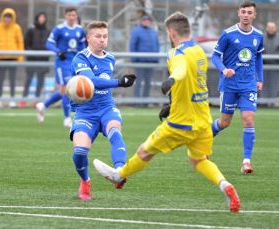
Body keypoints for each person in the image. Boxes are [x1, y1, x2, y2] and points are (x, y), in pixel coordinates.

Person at [93, 12, 241, 213]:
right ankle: (225, 185)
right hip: (203, 120)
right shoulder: (198, 51)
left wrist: (171, 80)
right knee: (199, 160)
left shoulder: (176, 53)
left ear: (171, 33)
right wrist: (172, 103)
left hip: (181, 123)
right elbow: (191, 83)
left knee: (144, 151)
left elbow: (180, 70)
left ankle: (119, 176)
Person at [70, 21, 136, 201]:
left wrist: (117, 82)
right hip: (85, 112)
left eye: (105, 36)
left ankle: (119, 173)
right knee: (80, 152)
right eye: (98, 36)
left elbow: (102, 84)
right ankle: (85, 182)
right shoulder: (80, 59)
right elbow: (92, 81)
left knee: (115, 132)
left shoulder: (110, 58)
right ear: (88, 38)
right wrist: (119, 82)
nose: (102, 40)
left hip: (107, 107)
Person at [210, 1, 264, 174]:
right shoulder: (228, 34)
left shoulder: (258, 35)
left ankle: (246, 162)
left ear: (254, 15)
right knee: (224, 122)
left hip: (248, 85)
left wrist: (259, 78)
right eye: (244, 12)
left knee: (248, 119)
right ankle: (202, 142)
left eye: (250, 12)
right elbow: (215, 57)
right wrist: (224, 69)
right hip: (230, 85)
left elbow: (258, 58)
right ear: (238, 13)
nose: (246, 15)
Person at [36, 7, 86, 127]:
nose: (71, 17)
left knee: (64, 91)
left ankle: (43, 105)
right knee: (67, 89)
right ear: (65, 16)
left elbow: (83, 45)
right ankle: (66, 118)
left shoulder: (80, 30)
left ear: (76, 16)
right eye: (69, 15)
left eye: (73, 15)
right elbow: (48, 43)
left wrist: (84, 55)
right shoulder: (59, 29)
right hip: (62, 63)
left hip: (74, 63)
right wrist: (58, 52)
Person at [0, 8, 24, 108]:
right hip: (1, 58)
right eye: (6, 16)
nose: (7, 19)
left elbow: (20, 42)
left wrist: (20, 56)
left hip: (13, 58)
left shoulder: (16, 28)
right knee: (0, 80)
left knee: (12, 80)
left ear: (12, 18)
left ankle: (12, 100)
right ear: (3, 17)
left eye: (9, 17)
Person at [129, 14, 159, 98]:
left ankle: (145, 101)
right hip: (140, 61)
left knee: (148, 82)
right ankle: (137, 101)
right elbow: (132, 45)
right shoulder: (136, 31)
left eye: (148, 20)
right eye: (145, 20)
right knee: (138, 81)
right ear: (141, 21)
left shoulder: (153, 31)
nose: (146, 22)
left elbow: (157, 45)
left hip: (151, 61)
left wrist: (156, 58)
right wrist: (134, 60)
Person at [22, 12, 50, 100]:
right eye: (40, 17)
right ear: (37, 18)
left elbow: (50, 44)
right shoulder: (31, 30)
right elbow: (26, 43)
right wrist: (30, 53)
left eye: (43, 17)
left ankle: (37, 99)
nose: (41, 19)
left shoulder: (48, 31)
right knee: (28, 79)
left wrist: (46, 54)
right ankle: (23, 99)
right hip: (31, 59)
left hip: (43, 60)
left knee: (40, 80)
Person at [262, 21, 279, 99]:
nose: (270, 29)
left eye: (272, 27)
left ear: (275, 28)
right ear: (266, 28)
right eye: (269, 27)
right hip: (263, 67)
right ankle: (263, 102)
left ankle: (273, 102)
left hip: (275, 67)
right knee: (263, 84)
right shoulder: (261, 38)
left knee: (275, 85)